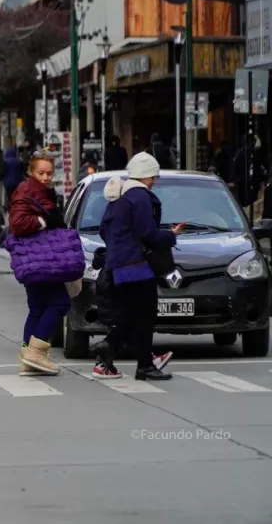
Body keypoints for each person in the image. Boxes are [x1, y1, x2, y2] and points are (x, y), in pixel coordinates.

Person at [93, 153, 183, 380]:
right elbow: (147, 233)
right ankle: (132, 359)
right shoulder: (140, 197)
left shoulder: (119, 196)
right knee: (145, 316)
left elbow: (104, 230)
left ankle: (129, 357)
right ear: (147, 176)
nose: (154, 182)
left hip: (118, 266)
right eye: (153, 177)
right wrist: (170, 235)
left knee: (132, 316)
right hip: (137, 266)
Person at [8, 151, 71, 376]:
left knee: (37, 309)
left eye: (49, 173)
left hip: (35, 258)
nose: (45, 177)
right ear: (31, 171)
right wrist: (45, 221)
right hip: (41, 258)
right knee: (60, 302)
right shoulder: (28, 191)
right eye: (41, 173)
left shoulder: (36, 190)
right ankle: (36, 353)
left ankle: (28, 360)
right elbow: (17, 224)